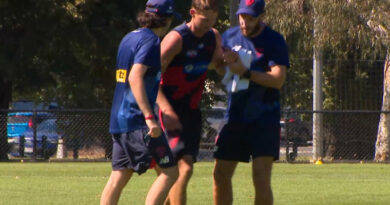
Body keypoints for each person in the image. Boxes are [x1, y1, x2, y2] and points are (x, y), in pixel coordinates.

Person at [155, 0, 235, 204]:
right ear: (192, 13)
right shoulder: (176, 39)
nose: (208, 25)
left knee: (180, 170)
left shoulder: (213, 36)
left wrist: (228, 61)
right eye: (204, 20)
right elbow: (151, 79)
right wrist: (165, 110)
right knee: (183, 169)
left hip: (191, 111)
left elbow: (218, 67)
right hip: (168, 111)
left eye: (213, 20)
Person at [100, 1, 180, 205]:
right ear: (167, 18)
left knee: (119, 176)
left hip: (119, 121)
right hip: (137, 121)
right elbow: (134, 77)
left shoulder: (129, 38)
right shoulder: (151, 41)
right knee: (170, 173)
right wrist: (149, 117)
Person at [213, 0, 290, 205]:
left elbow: (277, 79)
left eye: (251, 17)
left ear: (261, 16)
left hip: (264, 119)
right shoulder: (229, 36)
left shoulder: (274, 40)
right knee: (220, 175)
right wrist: (223, 63)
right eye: (242, 16)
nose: (245, 22)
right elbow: (221, 70)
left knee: (261, 178)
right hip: (234, 117)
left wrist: (245, 72)